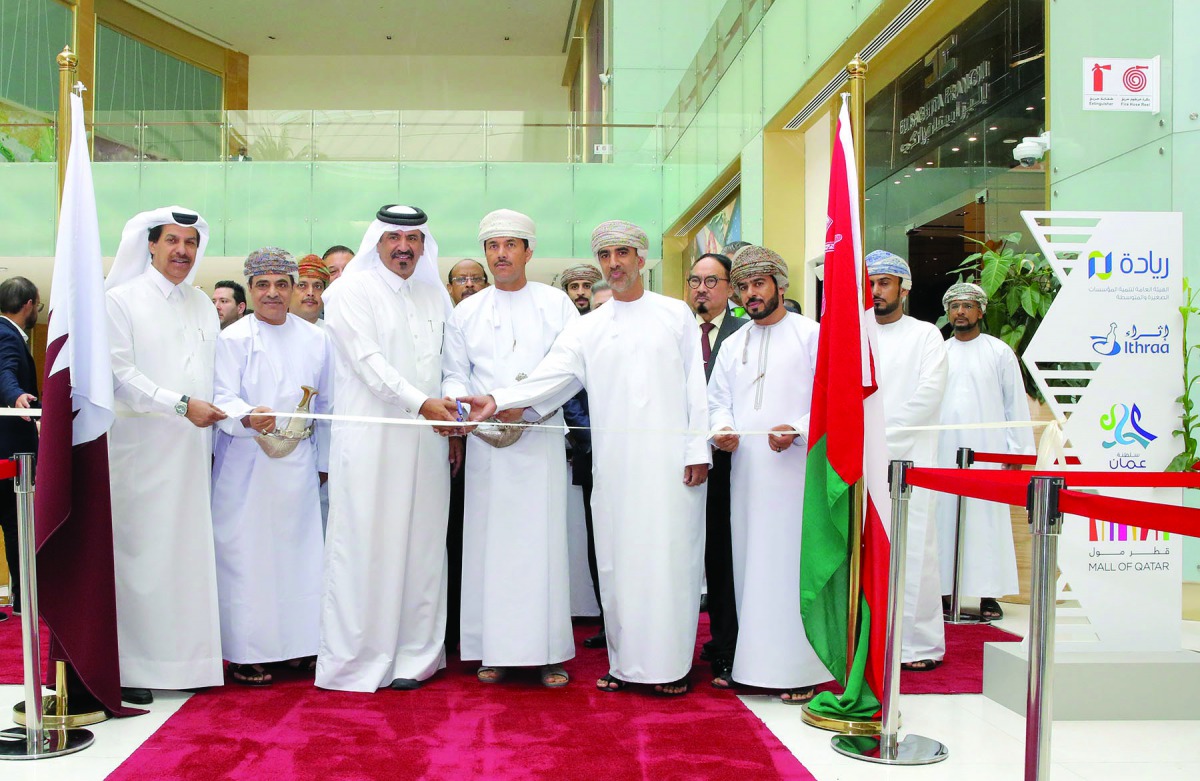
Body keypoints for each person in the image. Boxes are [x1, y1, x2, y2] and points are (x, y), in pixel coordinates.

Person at [460, 220, 710, 696]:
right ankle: (626, 664)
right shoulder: (588, 327)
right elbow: (552, 377)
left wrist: (697, 448)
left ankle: (670, 667)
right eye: (606, 255)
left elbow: (695, 387)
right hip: (614, 464)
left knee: (668, 561)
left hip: (670, 464)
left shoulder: (674, 314)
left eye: (623, 253)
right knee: (616, 562)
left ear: (641, 259)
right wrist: (497, 399)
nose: (614, 264)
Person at [316, 205, 459, 693]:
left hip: (428, 440)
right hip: (372, 442)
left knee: (423, 546)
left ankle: (416, 657)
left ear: (424, 245)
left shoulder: (434, 294)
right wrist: (423, 404)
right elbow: (368, 362)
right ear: (376, 242)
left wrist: (453, 409)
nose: (404, 247)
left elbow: (450, 362)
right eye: (394, 238)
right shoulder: (349, 292)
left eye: (413, 239)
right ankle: (357, 660)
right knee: (366, 546)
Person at [443, 209, 578, 687]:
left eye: (510, 245)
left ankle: (547, 652)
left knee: (541, 545)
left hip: (539, 438)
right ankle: (492, 650)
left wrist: (521, 404)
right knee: (490, 547)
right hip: (487, 445)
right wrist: (462, 405)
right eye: (492, 246)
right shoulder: (466, 311)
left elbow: (570, 369)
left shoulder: (557, 304)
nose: (500, 254)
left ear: (528, 251)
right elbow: (454, 372)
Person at [105, 206, 227, 704]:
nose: (182, 251)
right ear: (150, 245)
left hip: (193, 453)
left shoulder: (202, 304)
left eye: (190, 242)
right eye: (172, 240)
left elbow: (215, 377)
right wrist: (179, 405)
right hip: (142, 454)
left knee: (188, 557)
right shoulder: (120, 300)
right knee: (141, 558)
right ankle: (132, 666)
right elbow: (119, 376)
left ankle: (186, 662)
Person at [708, 245, 830, 703]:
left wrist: (797, 429)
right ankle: (753, 665)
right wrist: (721, 430)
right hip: (747, 477)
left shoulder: (811, 335)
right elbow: (717, 400)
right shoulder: (733, 343)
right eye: (742, 286)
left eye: (758, 284)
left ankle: (798, 670)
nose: (750, 294)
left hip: (795, 476)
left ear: (780, 284)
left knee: (788, 567)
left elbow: (831, 398)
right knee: (749, 567)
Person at [211, 248, 333, 686]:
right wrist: (246, 415)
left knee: (299, 556)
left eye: (282, 284)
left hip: (298, 466)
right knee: (246, 557)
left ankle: (299, 647)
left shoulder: (317, 338)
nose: (273, 293)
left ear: (294, 288)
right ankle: (247, 652)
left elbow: (327, 405)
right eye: (263, 285)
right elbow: (220, 395)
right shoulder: (232, 339)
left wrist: (324, 462)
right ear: (250, 290)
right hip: (244, 465)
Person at [867, 249, 948, 672]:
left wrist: (882, 438)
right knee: (865, 551)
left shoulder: (925, 335)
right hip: (860, 460)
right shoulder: (854, 335)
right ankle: (865, 641)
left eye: (884, 282)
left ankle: (918, 644)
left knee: (913, 548)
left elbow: (928, 396)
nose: (876, 291)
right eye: (870, 283)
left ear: (904, 288)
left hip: (909, 459)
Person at [936, 282, 1032, 620]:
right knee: (944, 519)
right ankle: (943, 592)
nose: (960, 312)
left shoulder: (999, 352)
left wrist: (1017, 453)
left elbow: (1014, 404)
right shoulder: (938, 352)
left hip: (988, 452)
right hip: (943, 452)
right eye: (954, 306)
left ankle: (989, 596)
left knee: (987, 521)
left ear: (980, 311)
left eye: (967, 305)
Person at [687, 251, 747, 686]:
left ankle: (727, 647)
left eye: (711, 281)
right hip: (681, 461)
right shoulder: (676, 332)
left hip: (729, 462)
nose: (702, 289)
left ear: (730, 288)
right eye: (695, 281)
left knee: (723, 557)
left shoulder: (746, 333)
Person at [558, 261, 606, 647]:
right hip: (589, 452)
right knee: (595, 536)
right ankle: (606, 618)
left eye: (585, 286)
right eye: (573, 287)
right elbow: (570, 394)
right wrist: (594, 438)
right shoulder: (569, 333)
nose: (580, 293)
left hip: (635, 452)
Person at [0, 277, 40, 621]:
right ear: (28, 304)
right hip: (9, 451)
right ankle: (22, 598)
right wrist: (15, 395)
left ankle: (21, 597)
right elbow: (6, 371)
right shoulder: (7, 336)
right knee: (15, 525)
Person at [290, 255, 331, 325]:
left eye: (317, 286)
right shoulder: (273, 328)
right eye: (302, 285)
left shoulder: (333, 331)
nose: (310, 293)